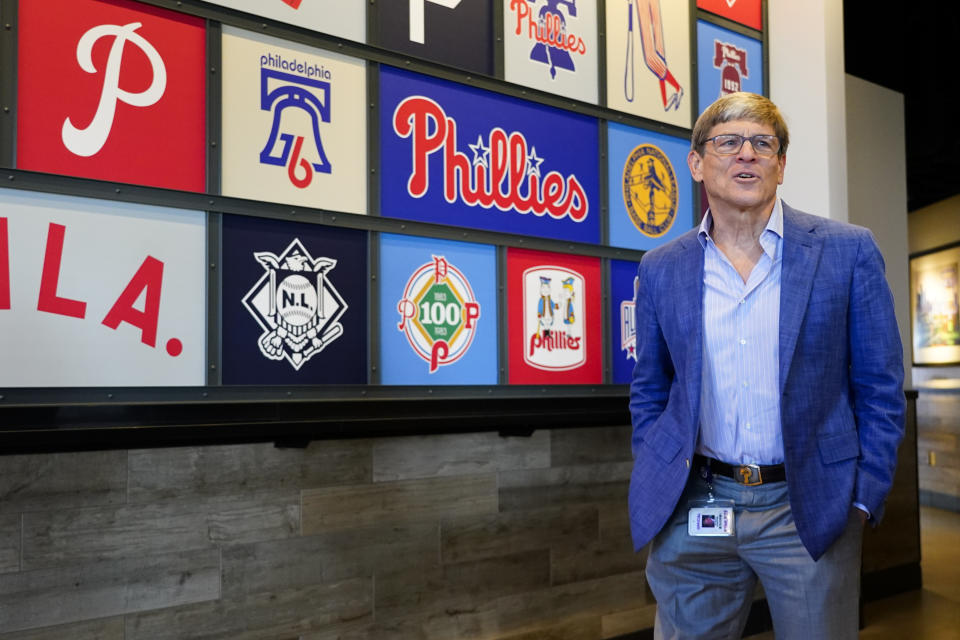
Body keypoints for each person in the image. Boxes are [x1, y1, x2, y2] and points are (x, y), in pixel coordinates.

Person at [628, 92, 905, 639]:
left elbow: (881, 388)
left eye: (763, 144)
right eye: (728, 142)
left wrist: (862, 497)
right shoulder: (661, 267)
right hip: (696, 506)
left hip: (808, 510)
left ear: (781, 164)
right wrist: (658, 466)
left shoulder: (848, 252)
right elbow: (651, 388)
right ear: (697, 161)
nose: (746, 155)